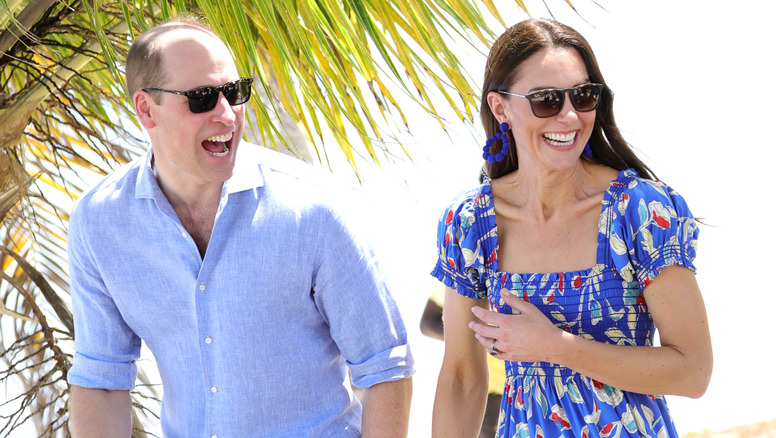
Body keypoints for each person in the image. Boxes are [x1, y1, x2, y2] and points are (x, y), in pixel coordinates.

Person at [67, 16, 413, 437]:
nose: (227, 114)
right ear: (146, 109)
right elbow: (102, 381)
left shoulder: (314, 209)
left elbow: (385, 367)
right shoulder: (100, 223)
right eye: (201, 99)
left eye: (234, 92)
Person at [430, 18, 712, 438]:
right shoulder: (470, 224)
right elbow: (461, 379)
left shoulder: (639, 210)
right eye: (546, 100)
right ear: (500, 107)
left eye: (582, 96)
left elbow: (693, 371)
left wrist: (555, 347)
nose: (569, 116)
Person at [420, 282, 503, 438]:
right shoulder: (465, 265)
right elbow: (428, 322)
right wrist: (480, 340)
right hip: (486, 391)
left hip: (534, 387)